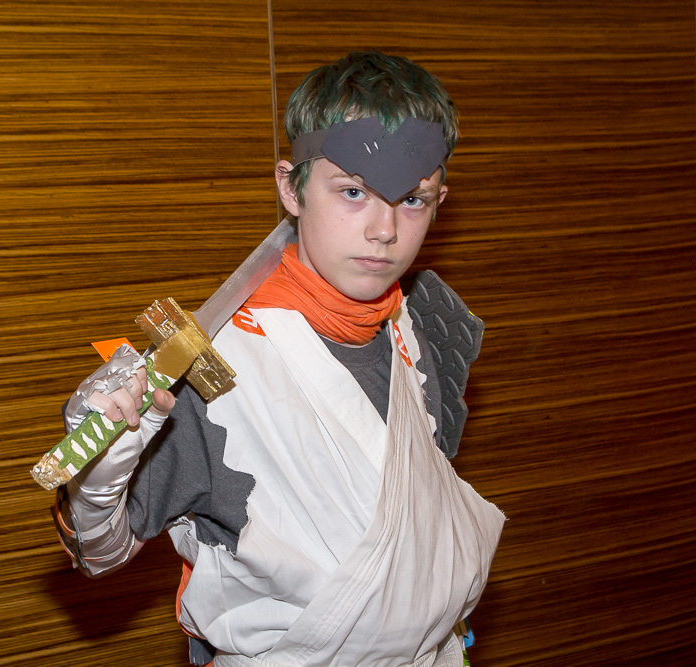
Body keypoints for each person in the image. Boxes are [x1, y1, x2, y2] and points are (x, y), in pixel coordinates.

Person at [52, 51, 504, 667]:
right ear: (291, 188)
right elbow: (98, 553)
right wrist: (98, 472)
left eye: (413, 200)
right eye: (353, 192)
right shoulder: (212, 368)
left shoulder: (420, 328)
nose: (385, 230)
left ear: (440, 198)